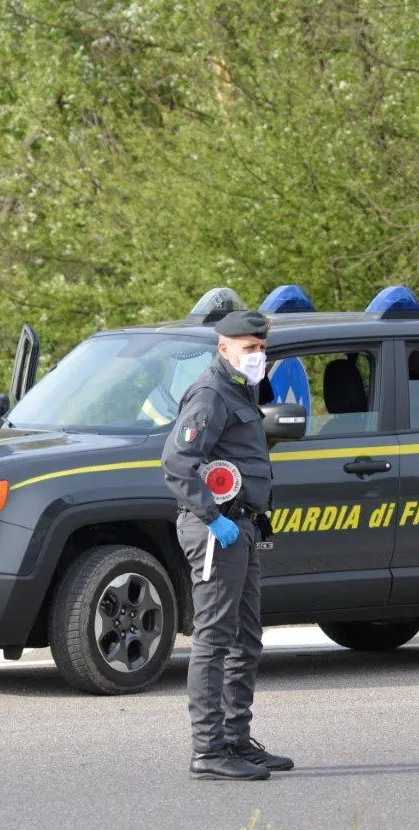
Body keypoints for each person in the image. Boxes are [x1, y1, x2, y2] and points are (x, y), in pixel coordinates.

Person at [162, 309, 292, 781]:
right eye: (249, 347)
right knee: (214, 640)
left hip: (243, 529)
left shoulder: (240, 388)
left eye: (261, 347)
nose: (258, 354)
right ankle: (208, 749)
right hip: (218, 531)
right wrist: (213, 518)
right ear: (224, 347)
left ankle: (237, 740)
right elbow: (177, 463)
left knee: (246, 638)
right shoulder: (212, 393)